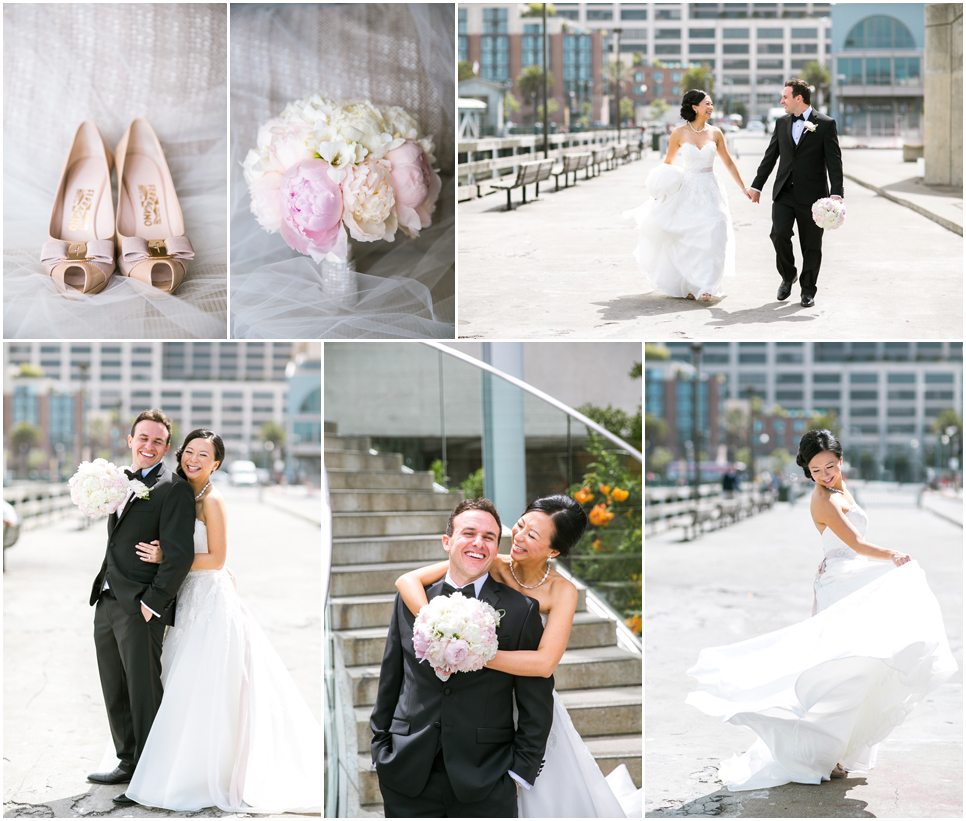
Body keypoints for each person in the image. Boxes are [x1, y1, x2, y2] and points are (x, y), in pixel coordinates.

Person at [686, 429, 957, 791]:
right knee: (843, 671)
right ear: (808, 472)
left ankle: (839, 750)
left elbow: (845, 543)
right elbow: (856, 543)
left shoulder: (841, 488)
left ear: (840, 460)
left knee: (862, 665)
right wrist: (891, 555)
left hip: (849, 578)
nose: (826, 474)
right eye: (817, 470)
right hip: (842, 586)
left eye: (830, 465)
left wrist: (837, 558)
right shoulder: (822, 499)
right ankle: (824, 754)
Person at [395, 495, 635, 818]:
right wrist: (439, 628)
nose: (518, 537)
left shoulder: (562, 591)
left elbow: (545, 663)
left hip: (528, 698)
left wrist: (471, 652)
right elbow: (407, 580)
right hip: (482, 703)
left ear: (554, 551)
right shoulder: (492, 562)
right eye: (520, 525)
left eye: (532, 536)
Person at [119, 429, 321, 812]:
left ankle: (202, 771)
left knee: (205, 683)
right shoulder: (178, 491)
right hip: (184, 596)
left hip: (209, 598)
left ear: (216, 463)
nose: (193, 459)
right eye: (188, 452)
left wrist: (168, 560)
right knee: (175, 678)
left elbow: (217, 559)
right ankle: (165, 761)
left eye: (203, 455)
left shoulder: (213, 500)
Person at [370, 498, 554, 817]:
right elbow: (392, 678)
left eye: (489, 537)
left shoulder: (520, 611)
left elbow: (536, 701)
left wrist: (517, 774)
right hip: (405, 772)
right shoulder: (412, 600)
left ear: (497, 549)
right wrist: (379, 750)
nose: (478, 543)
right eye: (469, 533)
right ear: (448, 541)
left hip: (486, 778)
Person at [86, 410, 195, 793]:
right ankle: (128, 761)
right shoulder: (116, 481)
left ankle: (152, 774)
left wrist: (153, 603)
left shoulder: (174, 488)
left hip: (140, 607)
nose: (149, 446)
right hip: (107, 597)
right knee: (113, 684)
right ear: (130, 441)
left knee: (144, 691)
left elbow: (179, 555)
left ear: (166, 447)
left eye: (157, 441)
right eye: (142, 438)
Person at [625, 89, 752, 302]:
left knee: (715, 231)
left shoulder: (716, 133)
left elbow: (728, 162)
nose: (711, 107)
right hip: (687, 190)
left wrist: (744, 188)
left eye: (711, 104)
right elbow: (668, 163)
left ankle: (707, 287)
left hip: (711, 189)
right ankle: (693, 284)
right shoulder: (678, 133)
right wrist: (660, 190)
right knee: (689, 237)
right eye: (707, 104)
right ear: (695, 107)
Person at [748, 79, 844, 308]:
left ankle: (808, 290)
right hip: (784, 192)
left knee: (811, 245)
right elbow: (770, 156)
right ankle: (788, 274)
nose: (782, 101)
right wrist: (756, 186)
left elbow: (834, 161)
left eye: (785, 97)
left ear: (798, 98)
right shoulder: (781, 123)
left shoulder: (826, 123)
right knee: (779, 235)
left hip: (813, 197)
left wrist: (836, 194)